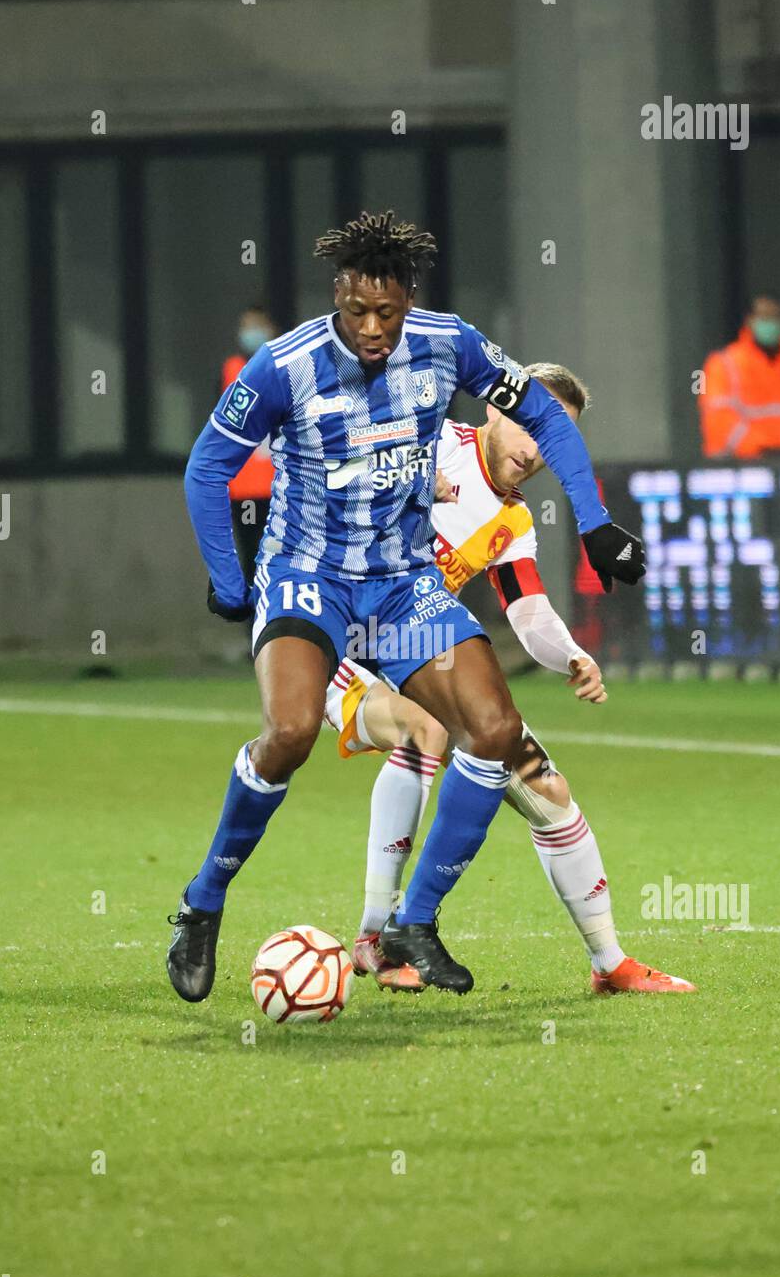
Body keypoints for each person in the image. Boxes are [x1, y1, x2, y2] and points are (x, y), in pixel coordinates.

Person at [167, 210, 645, 1002]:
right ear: (338, 297)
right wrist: (229, 581)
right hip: (307, 575)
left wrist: (592, 524)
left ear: (408, 303)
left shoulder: (449, 342)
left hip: (401, 583)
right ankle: (203, 903)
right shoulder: (284, 366)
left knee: (493, 730)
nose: (372, 329)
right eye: (356, 311)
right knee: (288, 735)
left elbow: (546, 414)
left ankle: (409, 923)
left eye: (386, 313)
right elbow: (207, 467)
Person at [324, 363, 694, 995]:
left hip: (428, 663)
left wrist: (573, 654)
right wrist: (408, 482)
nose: (533, 447)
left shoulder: (514, 521)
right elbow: (335, 473)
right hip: (346, 648)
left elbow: (528, 613)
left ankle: (610, 965)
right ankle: (375, 936)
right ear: (495, 409)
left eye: (550, 439)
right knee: (426, 729)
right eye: (528, 424)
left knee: (550, 794)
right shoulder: (432, 441)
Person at [699, 296, 780, 458]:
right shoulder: (722, 365)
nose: (769, 324)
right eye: (763, 317)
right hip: (735, 469)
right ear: (749, 321)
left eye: (774, 317)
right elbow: (718, 418)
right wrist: (758, 449)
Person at [220, 306, 279, 582]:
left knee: (279, 560)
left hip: (279, 488)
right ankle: (255, 623)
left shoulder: (283, 366)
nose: (251, 333)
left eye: (257, 325)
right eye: (246, 326)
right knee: (250, 562)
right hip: (242, 489)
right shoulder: (230, 370)